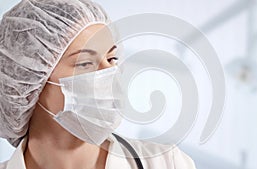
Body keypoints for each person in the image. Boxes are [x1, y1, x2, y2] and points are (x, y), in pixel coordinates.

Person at [0, 0, 196, 169]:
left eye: (111, 59)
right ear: (25, 86)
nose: (108, 73)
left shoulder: (167, 162)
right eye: (85, 63)